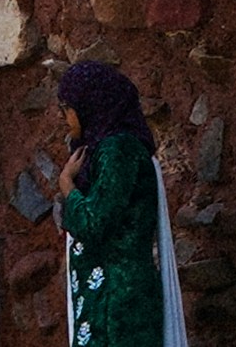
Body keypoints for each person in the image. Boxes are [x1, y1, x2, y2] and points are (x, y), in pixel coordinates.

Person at [52, 61, 186, 347]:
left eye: (67, 106)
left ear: (90, 104)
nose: (64, 116)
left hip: (118, 303)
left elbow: (95, 222)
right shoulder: (99, 150)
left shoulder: (118, 150)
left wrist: (67, 185)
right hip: (104, 299)